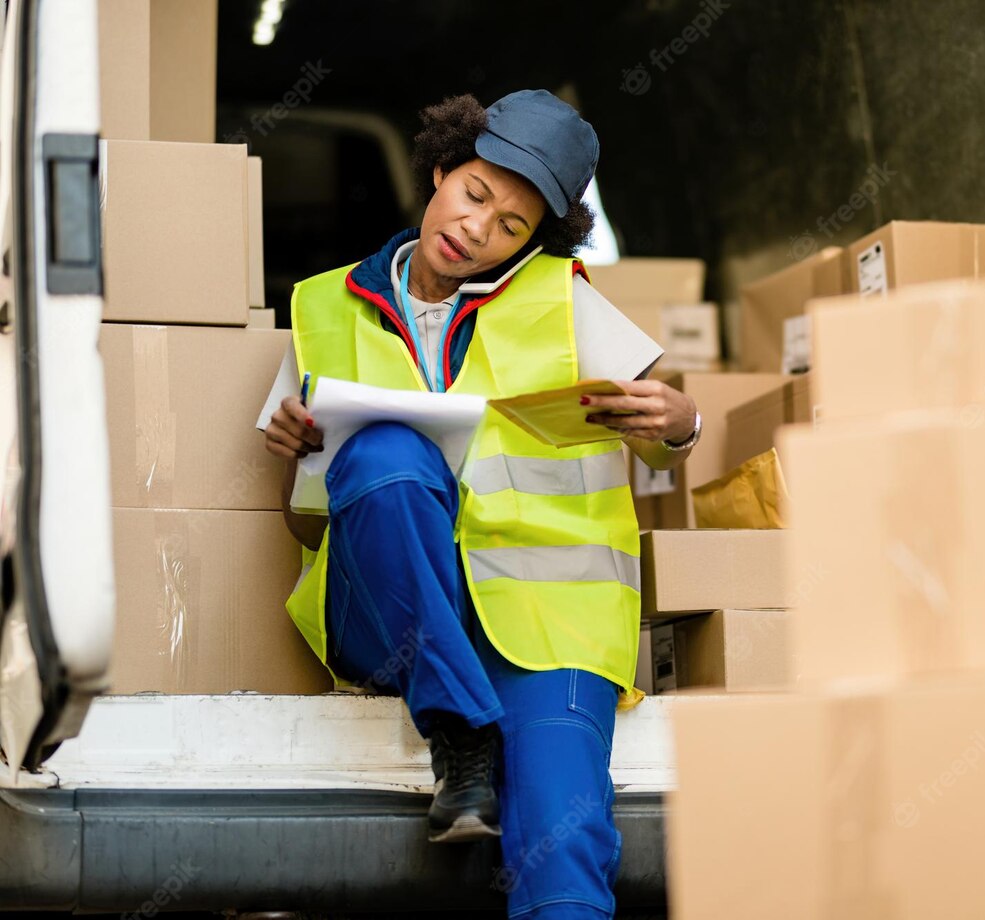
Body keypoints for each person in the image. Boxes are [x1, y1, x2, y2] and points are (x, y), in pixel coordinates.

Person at [255, 89, 700, 920]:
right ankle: (461, 730)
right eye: (475, 195)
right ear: (441, 169)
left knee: (565, 840)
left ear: (536, 241)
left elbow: (657, 427)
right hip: (391, 627)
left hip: (545, 626)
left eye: (512, 227)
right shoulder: (320, 305)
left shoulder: (564, 301)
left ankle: (480, 742)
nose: (477, 230)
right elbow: (303, 525)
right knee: (385, 456)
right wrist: (297, 455)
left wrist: (683, 422)